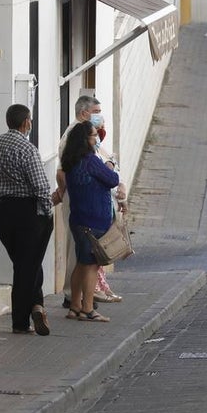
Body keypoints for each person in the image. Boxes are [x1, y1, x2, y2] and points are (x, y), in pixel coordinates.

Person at [0, 104, 56, 336]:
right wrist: (47, 212)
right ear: (25, 123)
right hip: (29, 213)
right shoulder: (28, 149)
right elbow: (41, 186)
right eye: (30, 120)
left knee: (25, 264)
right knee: (26, 268)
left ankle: (36, 305)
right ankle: (21, 322)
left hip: (5, 213)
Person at [56, 95, 125, 307]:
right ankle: (81, 302)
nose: (99, 117)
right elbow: (63, 173)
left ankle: (79, 301)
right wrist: (111, 167)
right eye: (96, 112)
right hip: (87, 210)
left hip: (85, 209)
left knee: (84, 258)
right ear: (84, 113)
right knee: (86, 259)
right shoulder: (76, 138)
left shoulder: (84, 140)